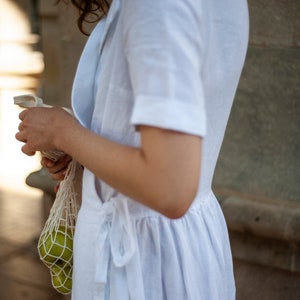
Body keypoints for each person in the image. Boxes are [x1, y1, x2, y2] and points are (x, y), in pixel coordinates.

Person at [16, 0, 249, 299]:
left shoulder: (156, 6)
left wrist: (63, 133)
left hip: (143, 263)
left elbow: (170, 187)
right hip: (173, 244)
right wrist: (87, 146)